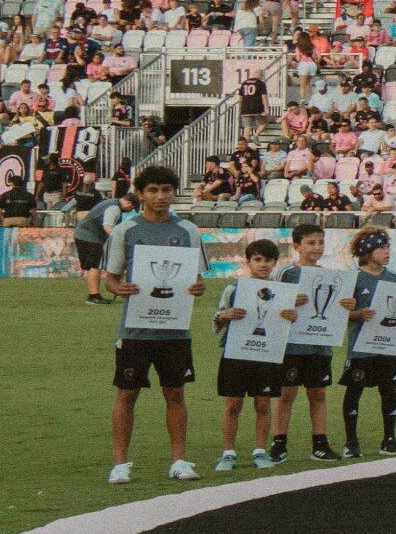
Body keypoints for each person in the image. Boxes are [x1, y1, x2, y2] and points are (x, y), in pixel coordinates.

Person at [94, 165, 204, 484]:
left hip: (175, 328)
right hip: (135, 328)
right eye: (153, 190)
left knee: (176, 394)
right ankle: (120, 463)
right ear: (140, 193)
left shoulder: (188, 231)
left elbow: (195, 279)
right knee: (126, 395)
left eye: (167, 190)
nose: (160, 196)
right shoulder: (124, 231)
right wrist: (119, 289)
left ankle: (180, 460)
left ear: (174, 193)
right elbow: (110, 279)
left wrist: (198, 288)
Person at [337, 229, 396, 455]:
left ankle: (389, 439)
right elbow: (337, 314)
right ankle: (351, 443)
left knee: (389, 391)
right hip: (360, 349)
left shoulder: (394, 278)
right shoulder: (353, 278)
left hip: (387, 347)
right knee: (354, 392)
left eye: (387, 247)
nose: (387, 252)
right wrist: (357, 314)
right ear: (366, 251)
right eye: (381, 248)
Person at [211, 232, 292, 469]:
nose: (263, 265)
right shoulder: (233, 289)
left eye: (268, 260)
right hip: (235, 353)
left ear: (275, 263)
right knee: (233, 404)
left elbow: (285, 326)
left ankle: (260, 451)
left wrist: (291, 316)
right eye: (257, 259)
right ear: (248, 262)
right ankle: (228, 452)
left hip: (266, 354)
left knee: (263, 404)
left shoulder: (283, 293)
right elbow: (216, 319)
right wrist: (225, 315)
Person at [278, 218, 342, 462]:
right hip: (291, 345)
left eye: (321, 242)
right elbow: (272, 302)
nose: (317, 247)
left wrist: (345, 304)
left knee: (318, 394)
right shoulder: (286, 273)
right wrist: (289, 302)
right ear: (297, 246)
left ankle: (320, 443)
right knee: (286, 394)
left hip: (319, 344)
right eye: (311, 243)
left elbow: (335, 311)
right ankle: (279, 443)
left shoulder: (328, 276)